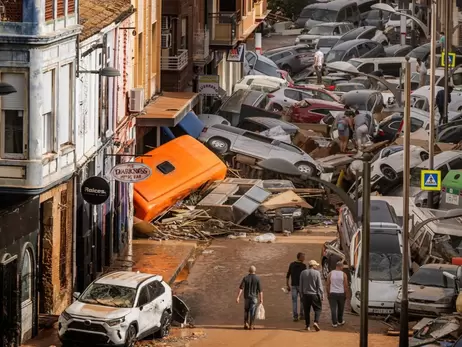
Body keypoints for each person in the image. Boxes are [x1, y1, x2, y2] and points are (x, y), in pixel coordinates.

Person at [299, 260, 324, 331]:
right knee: (318, 309)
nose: (316, 266)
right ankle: (316, 322)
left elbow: (301, 285)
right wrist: (322, 294)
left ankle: (307, 326)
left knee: (306, 311)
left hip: (305, 295)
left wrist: (301, 295)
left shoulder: (303, 273)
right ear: (313, 266)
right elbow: (319, 285)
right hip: (314, 295)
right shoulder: (317, 273)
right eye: (316, 265)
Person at [236, 265, 263, 330]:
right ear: (255, 271)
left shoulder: (245, 278)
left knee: (246, 311)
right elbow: (260, 290)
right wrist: (261, 299)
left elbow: (241, 288)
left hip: (247, 297)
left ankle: (245, 324)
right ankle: (251, 325)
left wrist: (238, 297)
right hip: (254, 298)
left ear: (249, 271)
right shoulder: (257, 278)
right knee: (252, 312)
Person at [326, 261, 349, 328]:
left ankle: (334, 323)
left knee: (333, 309)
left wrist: (328, 293)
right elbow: (346, 286)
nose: (343, 268)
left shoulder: (330, 273)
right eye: (342, 267)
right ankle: (340, 321)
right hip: (341, 293)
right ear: (340, 266)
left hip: (332, 293)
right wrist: (346, 294)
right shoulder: (344, 274)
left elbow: (327, 284)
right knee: (341, 308)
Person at [286, 252, 307, 321]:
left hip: (293, 286)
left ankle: (295, 316)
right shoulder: (303, 266)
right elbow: (305, 277)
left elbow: (288, 275)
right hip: (301, 286)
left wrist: (287, 284)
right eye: (303, 257)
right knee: (302, 301)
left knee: (294, 301)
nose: (304, 258)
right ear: (300, 257)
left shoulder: (292, 264)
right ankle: (301, 315)